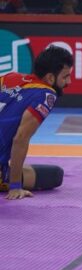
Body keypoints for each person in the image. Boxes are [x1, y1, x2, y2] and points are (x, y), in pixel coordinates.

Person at [1, 46, 72, 200]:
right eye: (65, 77)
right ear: (50, 78)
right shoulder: (47, 94)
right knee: (55, 175)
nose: (69, 81)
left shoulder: (9, 77)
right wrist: (15, 187)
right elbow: (20, 139)